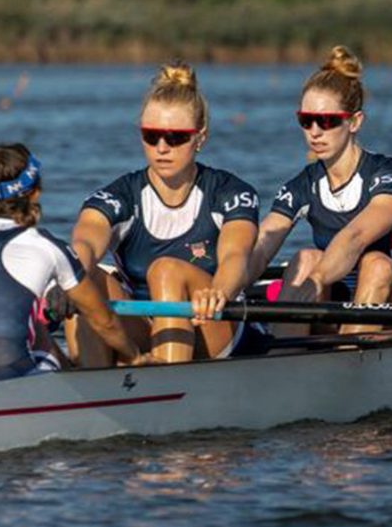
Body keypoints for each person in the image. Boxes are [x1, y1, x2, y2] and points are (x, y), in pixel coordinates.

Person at [67, 62, 260, 365]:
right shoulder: (120, 196)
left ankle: (167, 382)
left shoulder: (230, 192)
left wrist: (218, 291)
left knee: (166, 269)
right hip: (147, 328)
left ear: (201, 138)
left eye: (175, 138)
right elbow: (86, 241)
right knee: (79, 275)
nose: (161, 147)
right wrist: (65, 277)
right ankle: (91, 391)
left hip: (214, 325)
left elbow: (236, 256)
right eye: (151, 136)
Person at [248, 46, 392, 336]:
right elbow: (263, 245)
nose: (315, 131)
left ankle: (345, 359)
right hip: (339, 305)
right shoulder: (303, 184)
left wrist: (315, 281)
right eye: (306, 120)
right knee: (305, 258)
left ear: (354, 122)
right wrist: (221, 286)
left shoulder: (388, 175)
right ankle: (277, 364)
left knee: (375, 263)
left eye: (327, 121)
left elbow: (353, 237)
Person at [0, 144, 148, 380]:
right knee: (36, 327)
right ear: (34, 192)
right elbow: (103, 322)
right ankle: (76, 388)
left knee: (30, 321)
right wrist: (135, 357)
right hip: (16, 379)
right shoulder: (47, 247)